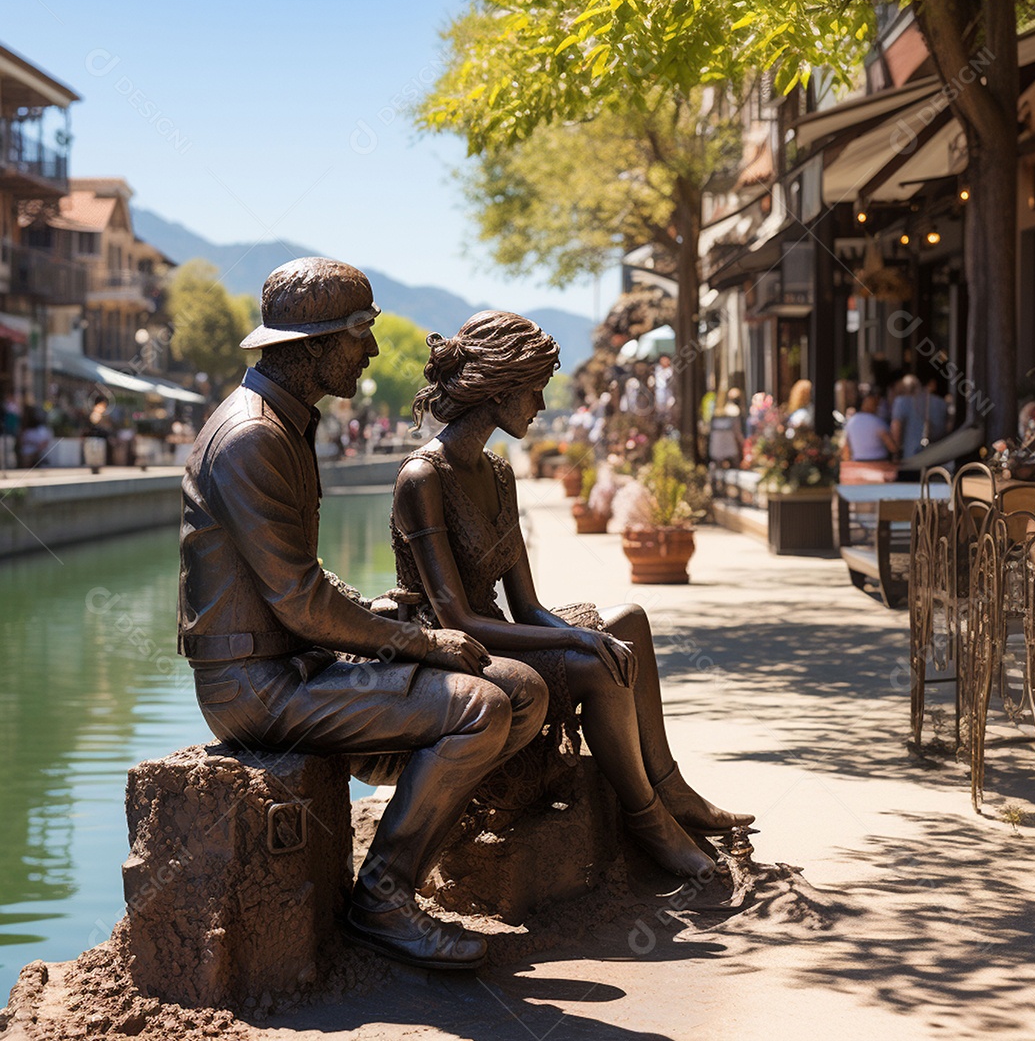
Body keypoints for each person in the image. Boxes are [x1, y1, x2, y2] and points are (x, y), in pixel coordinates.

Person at [178, 259, 549, 970]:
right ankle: (381, 897)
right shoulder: (253, 436)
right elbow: (298, 600)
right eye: (360, 332)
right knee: (478, 708)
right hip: (256, 685)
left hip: (291, 662)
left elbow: (300, 583)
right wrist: (419, 642)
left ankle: (407, 853)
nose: (372, 351)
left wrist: (372, 611)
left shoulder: (282, 423)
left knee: (522, 690)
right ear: (313, 344)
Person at [391, 311, 754, 882]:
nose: (539, 405)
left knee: (626, 620)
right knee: (597, 661)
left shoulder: (498, 472)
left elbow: (526, 605)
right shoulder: (423, 477)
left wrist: (579, 630)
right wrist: (574, 636)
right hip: (453, 649)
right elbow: (457, 618)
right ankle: (648, 820)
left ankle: (672, 787)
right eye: (533, 391)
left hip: (498, 631)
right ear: (500, 390)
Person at [890, 374, 948, 459]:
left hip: (911, 455)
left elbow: (896, 427)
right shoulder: (941, 403)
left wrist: (895, 451)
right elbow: (947, 427)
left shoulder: (901, 402)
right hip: (937, 456)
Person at [841, 391, 897, 462]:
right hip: (879, 463)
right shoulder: (877, 422)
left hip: (858, 462)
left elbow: (846, 447)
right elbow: (892, 447)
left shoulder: (851, 421)